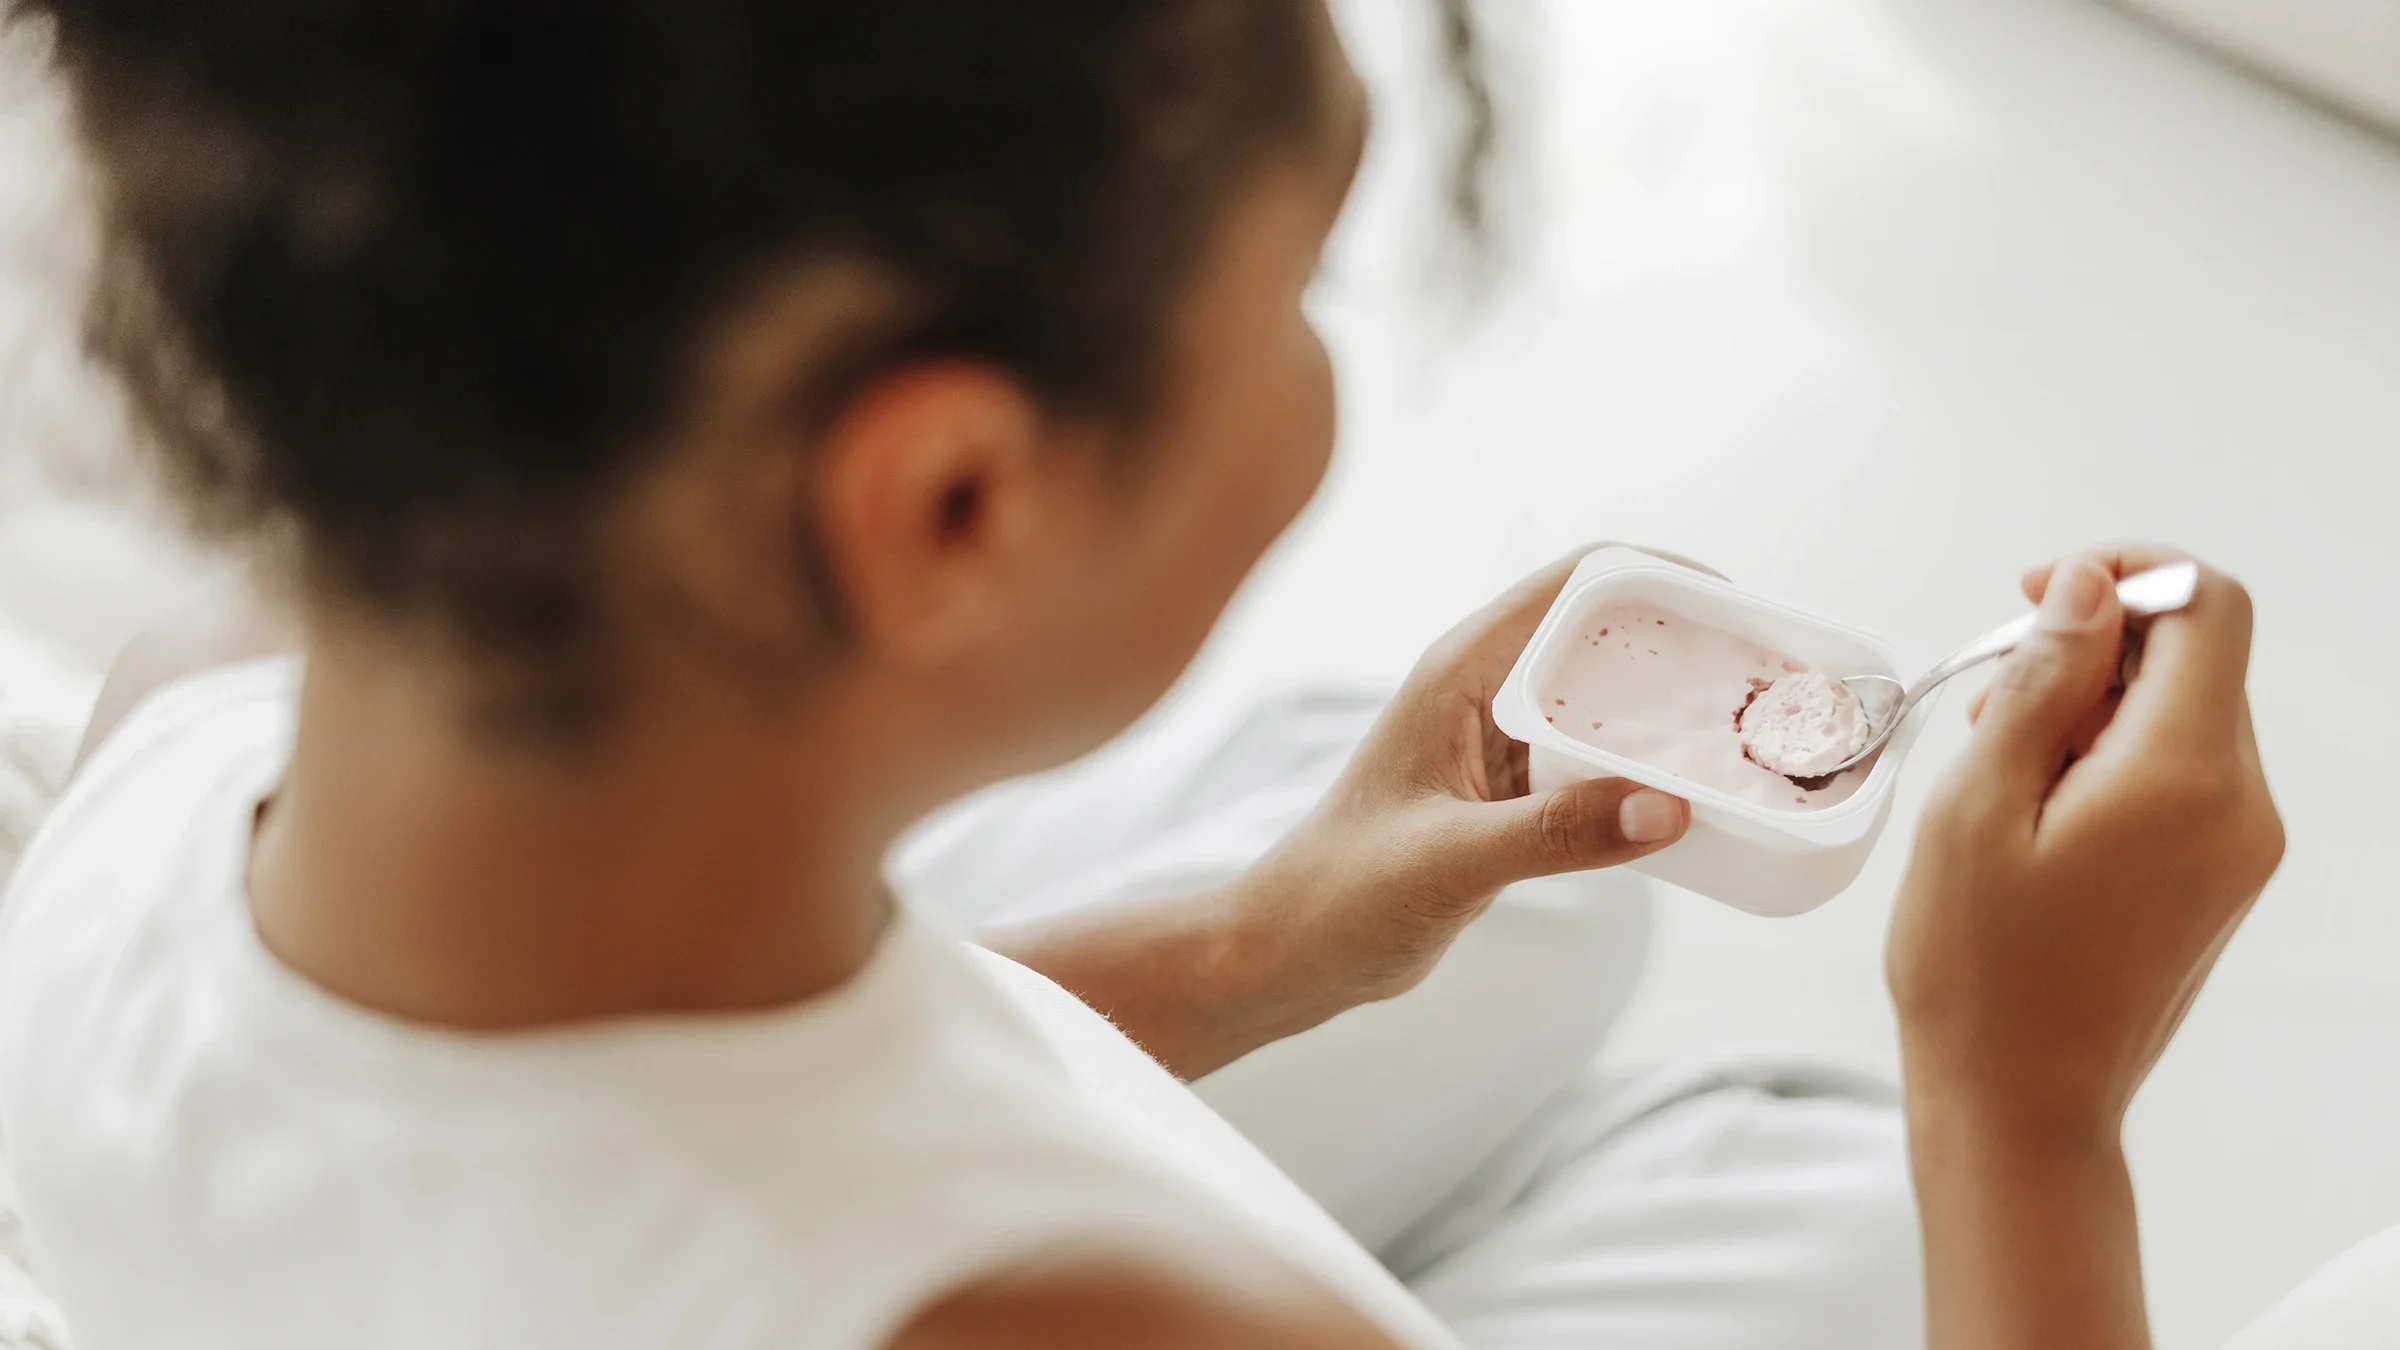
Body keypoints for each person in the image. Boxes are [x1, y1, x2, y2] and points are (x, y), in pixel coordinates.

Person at [0, 2, 2290, 1349]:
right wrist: (2027, 1109)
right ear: (957, 506)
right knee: (1873, 1212)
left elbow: (664, 1118)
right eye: (1298, 287)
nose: (1325, 356)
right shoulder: (1099, 1325)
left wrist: (1270, 936)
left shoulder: (195, 719)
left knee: (1542, 897)